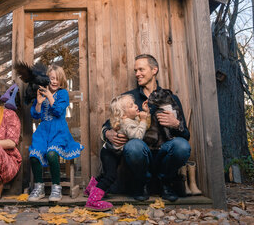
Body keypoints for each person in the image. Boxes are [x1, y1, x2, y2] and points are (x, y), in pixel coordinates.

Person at [102, 54, 191, 202]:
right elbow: (108, 124)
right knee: (134, 145)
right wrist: (108, 133)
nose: (137, 74)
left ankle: (166, 183)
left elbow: (186, 136)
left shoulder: (170, 99)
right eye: (135, 70)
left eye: (141, 69)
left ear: (154, 70)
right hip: (140, 154)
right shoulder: (129, 98)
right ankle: (141, 183)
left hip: (164, 154)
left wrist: (175, 124)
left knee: (182, 146)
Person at [28, 64, 84, 202]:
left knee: (52, 153)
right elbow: (35, 115)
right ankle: (39, 187)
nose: (53, 81)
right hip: (43, 131)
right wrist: (39, 102)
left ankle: (56, 187)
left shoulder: (63, 93)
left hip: (59, 131)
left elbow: (58, 111)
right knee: (34, 154)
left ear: (61, 80)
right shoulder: (41, 92)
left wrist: (49, 96)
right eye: (51, 78)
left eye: (56, 79)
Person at [85, 94, 149, 211]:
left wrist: (144, 113)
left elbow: (138, 122)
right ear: (123, 114)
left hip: (111, 151)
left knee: (106, 174)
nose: (136, 106)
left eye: (134, 103)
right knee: (110, 176)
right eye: (131, 105)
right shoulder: (126, 123)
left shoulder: (129, 119)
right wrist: (144, 120)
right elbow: (138, 136)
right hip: (110, 153)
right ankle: (93, 201)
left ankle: (91, 188)